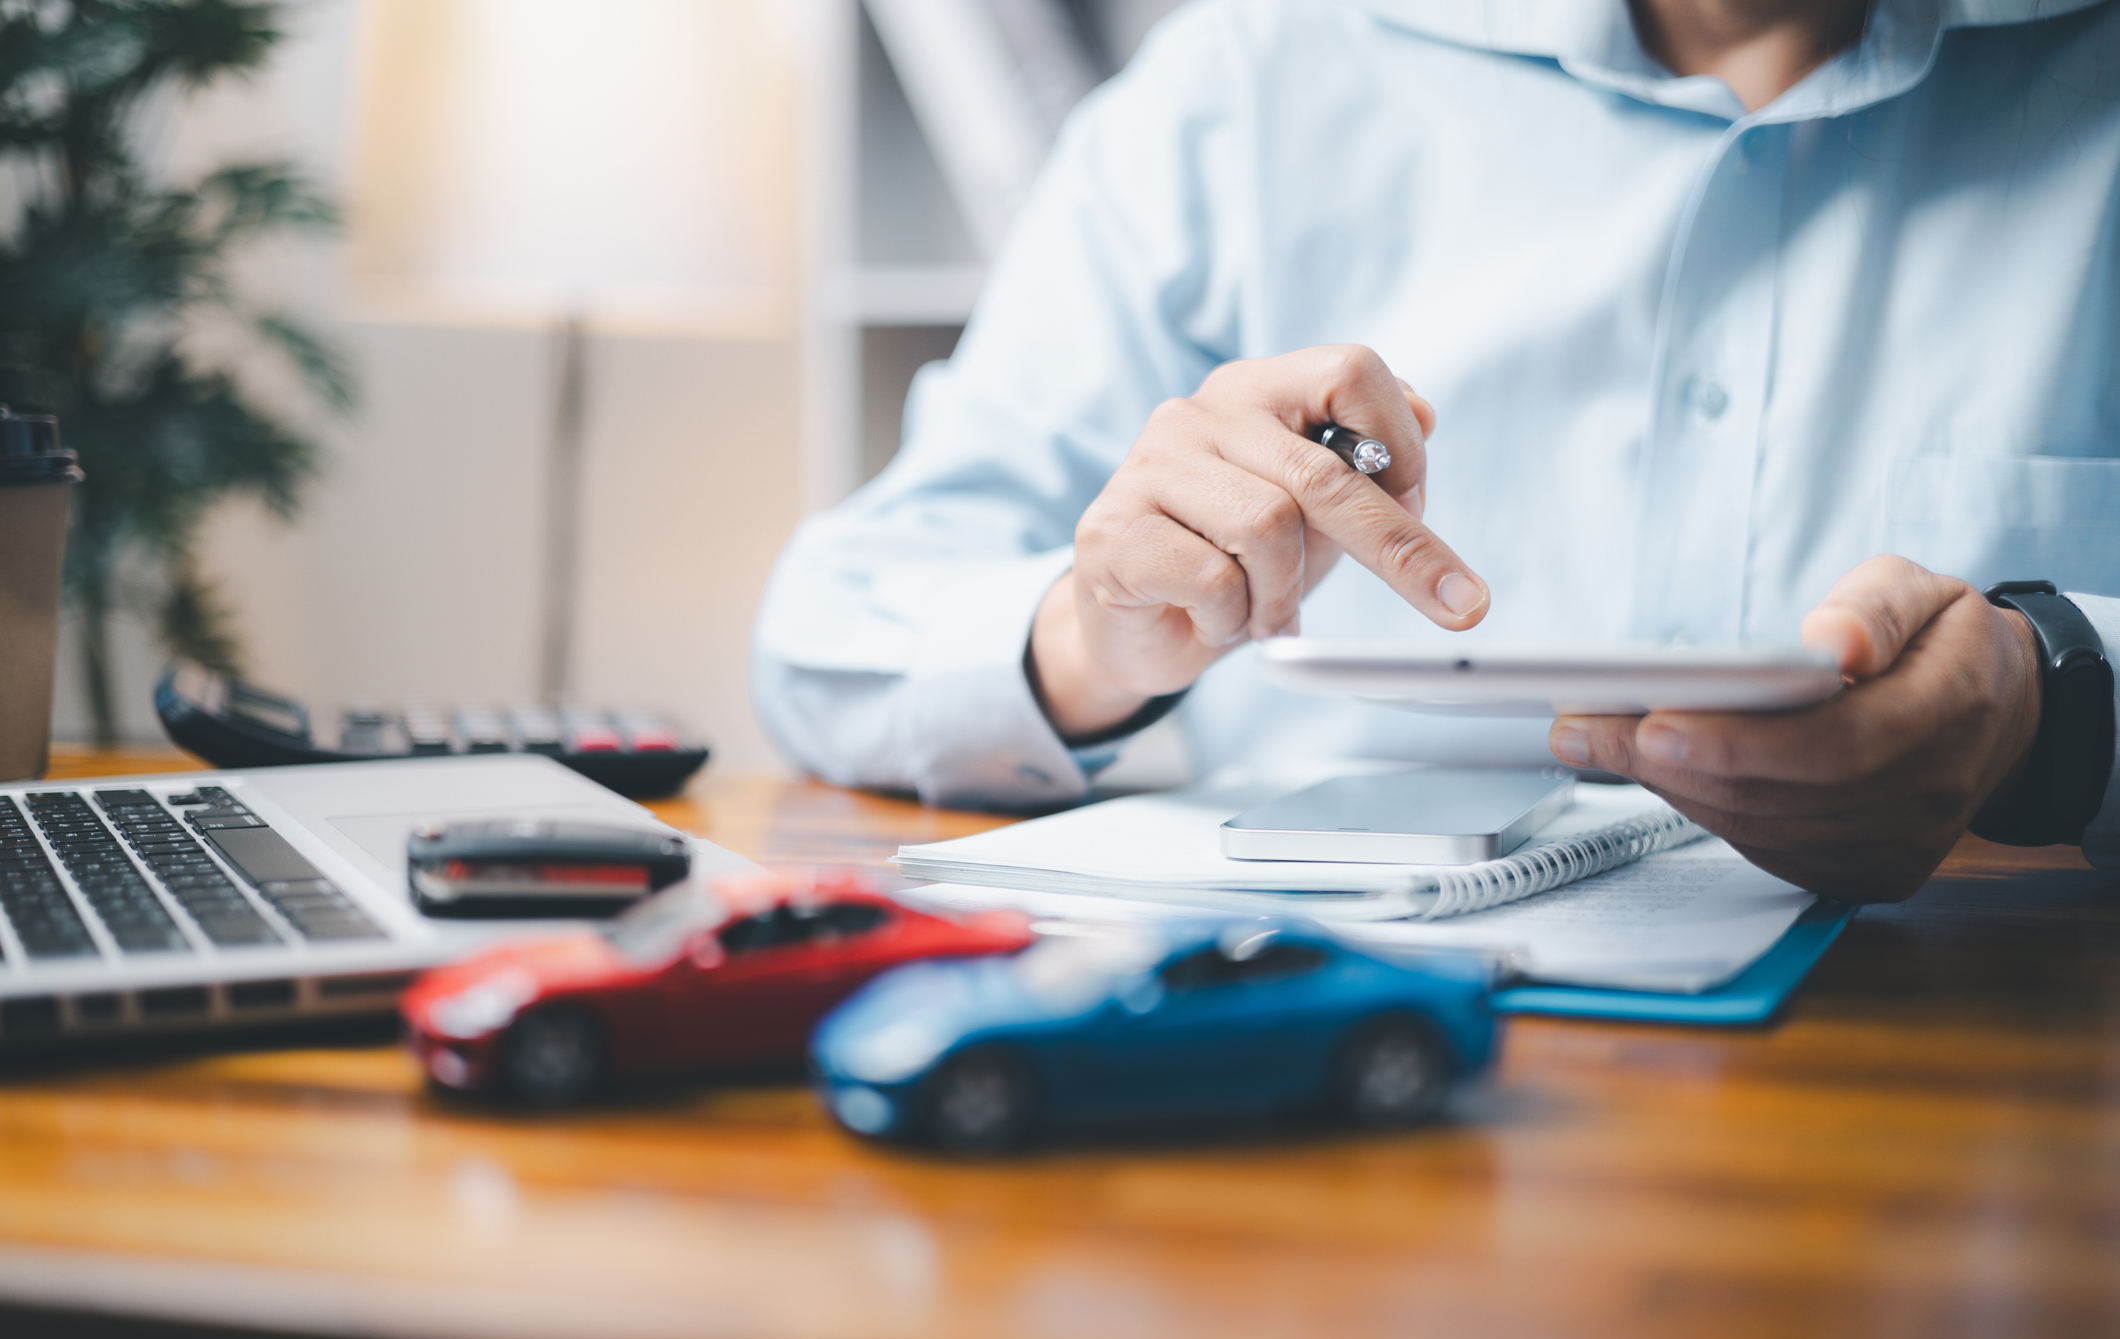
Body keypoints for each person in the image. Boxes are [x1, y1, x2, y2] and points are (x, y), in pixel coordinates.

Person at [754, 0, 2120, 901]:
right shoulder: (1250, 80)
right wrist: (1092, 635)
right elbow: (830, 638)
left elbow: (2063, 705)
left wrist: (2058, 708)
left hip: (1970, 1093)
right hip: (1323, 1100)